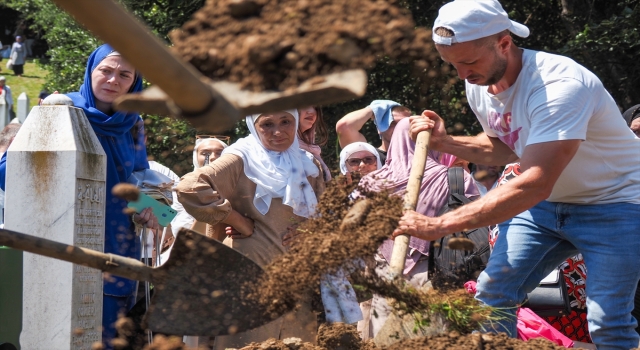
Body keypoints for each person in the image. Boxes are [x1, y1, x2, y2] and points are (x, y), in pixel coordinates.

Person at [396, 1, 640, 348]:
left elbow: (536, 180)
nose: (462, 74)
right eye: (452, 64)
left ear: (504, 43)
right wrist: (446, 141)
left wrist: (439, 225)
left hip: (616, 204)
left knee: (607, 322)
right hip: (545, 209)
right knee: (492, 297)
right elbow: (505, 148)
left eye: (468, 62)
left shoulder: (559, 86)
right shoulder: (480, 83)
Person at [177, 110, 325, 349]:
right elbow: (189, 187)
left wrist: (309, 232)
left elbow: (325, 212)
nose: (277, 131)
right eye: (267, 124)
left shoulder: (308, 163)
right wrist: (236, 220)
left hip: (298, 279)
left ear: (296, 122)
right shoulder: (240, 157)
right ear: (253, 126)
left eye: (285, 121)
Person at [66, 44, 158, 348]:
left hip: (117, 246)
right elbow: (7, 173)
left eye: (124, 74)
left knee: (108, 337)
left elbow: (139, 181)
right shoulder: (62, 110)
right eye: (105, 70)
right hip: (64, 242)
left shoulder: (133, 124)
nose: (113, 80)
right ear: (91, 70)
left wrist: (156, 210)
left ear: (135, 82)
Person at [357, 118, 479, 339]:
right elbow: (478, 222)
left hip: (384, 274)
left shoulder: (371, 183)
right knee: (429, 339)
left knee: (386, 339)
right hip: (436, 272)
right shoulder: (456, 178)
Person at [336, 100, 412, 162]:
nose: (400, 127)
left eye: (405, 123)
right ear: (379, 129)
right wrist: (375, 109)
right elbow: (345, 127)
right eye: (392, 123)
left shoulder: (419, 154)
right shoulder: (370, 158)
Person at [298, 106, 332, 181]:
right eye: (304, 105)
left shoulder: (313, 152)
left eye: (315, 107)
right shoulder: (283, 150)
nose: (311, 112)